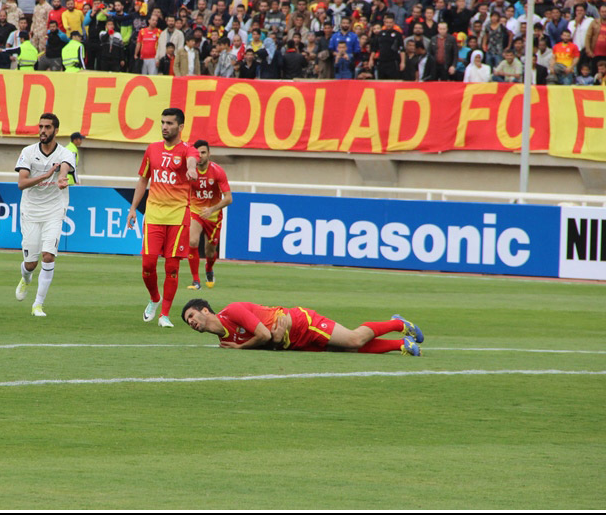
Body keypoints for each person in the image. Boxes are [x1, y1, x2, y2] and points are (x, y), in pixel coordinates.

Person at [126, 108, 199, 328]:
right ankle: (154, 298)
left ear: (180, 127)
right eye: (163, 122)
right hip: (154, 214)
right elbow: (143, 180)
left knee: (172, 268)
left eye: (169, 123)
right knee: (148, 264)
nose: (165, 127)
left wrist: (192, 171)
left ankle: (164, 314)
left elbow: (192, 161)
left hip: (178, 217)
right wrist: (132, 209)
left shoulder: (188, 150)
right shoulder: (152, 149)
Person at [181, 299, 424, 356]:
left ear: (205, 311)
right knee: (347, 350)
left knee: (353, 339)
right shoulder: (224, 340)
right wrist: (273, 343)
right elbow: (268, 341)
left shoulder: (232, 312)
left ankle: (398, 324)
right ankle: (401, 345)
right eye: (187, 322)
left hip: (300, 323)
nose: (191, 322)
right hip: (292, 343)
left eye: (191, 315)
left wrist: (241, 347)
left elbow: (264, 334)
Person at [14, 113, 75, 317]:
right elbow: (21, 184)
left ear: (56, 130)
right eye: (41, 126)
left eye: (47, 127)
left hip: (54, 210)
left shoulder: (66, 153)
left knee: (48, 256)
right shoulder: (28, 152)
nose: (43, 130)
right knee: (31, 263)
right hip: (30, 211)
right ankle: (26, 277)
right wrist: (45, 176)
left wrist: (61, 177)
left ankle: (38, 304)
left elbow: (64, 167)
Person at [186, 140, 232, 290]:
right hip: (196, 212)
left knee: (210, 251)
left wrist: (211, 210)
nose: (200, 155)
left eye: (203, 152)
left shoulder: (217, 171)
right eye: (197, 152)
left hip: (213, 216)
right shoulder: (189, 172)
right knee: (192, 241)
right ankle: (195, 281)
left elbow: (229, 199)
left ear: (209, 154)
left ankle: (209, 268)